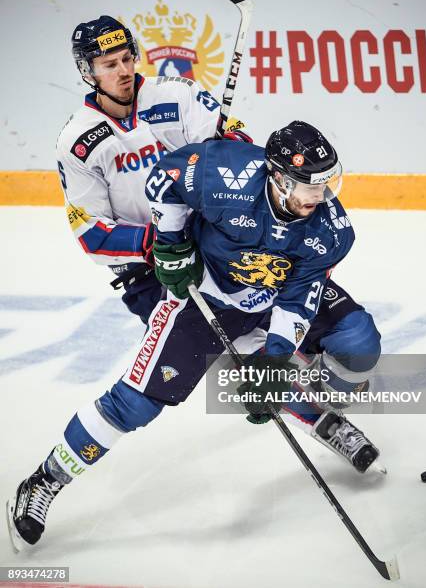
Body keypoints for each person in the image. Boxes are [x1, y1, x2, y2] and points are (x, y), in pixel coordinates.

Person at [7, 121, 381, 552]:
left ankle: (316, 409)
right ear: (278, 177)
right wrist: (171, 243)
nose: (322, 198)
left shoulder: (330, 230)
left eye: (328, 184)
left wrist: (274, 362)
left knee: (356, 344)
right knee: (135, 403)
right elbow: (163, 179)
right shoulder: (225, 173)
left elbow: (299, 301)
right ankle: (46, 479)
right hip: (207, 295)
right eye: (311, 188)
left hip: (274, 291)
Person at [57, 15, 249, 322]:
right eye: (109, 65)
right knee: (205, 358)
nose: (124, 71)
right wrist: (160, 241)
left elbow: (240, 146)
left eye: (126, 58)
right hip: (153, 271)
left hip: (216, 242)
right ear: (87, 72)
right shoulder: (77, 141)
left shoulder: (179, 94)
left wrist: (232, 146)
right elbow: (92, 233)